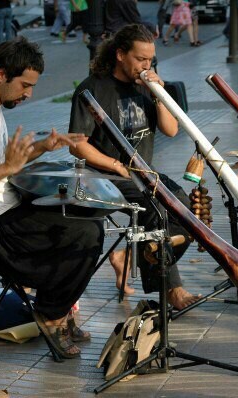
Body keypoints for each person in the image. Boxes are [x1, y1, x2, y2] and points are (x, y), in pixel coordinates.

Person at [0, 37, 104, 359]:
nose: (29, 93)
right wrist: (10, 166)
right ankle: (52, 314)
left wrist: (43, 147)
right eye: (25, 84)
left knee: (84, 215)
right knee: (84, 232)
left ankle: (55, 306)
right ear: (2, 74)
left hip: (1, 211)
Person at [68, 24, 201, 310]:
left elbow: (171, 130)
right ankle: (172, 289)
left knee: (186, 209)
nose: (146, 65)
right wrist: (115, 164)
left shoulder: (146, 88)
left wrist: (158, 94)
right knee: (160, 209)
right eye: (140, 59)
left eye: (150, 60)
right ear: (120, 54)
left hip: (143, 173)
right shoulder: (93, 88)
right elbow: (77, 144)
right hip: (104, 175)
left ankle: (129, 254)